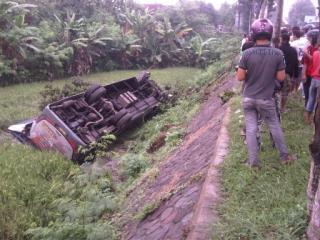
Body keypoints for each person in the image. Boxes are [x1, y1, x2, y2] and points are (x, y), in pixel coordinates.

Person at [237, 18, 296, 168]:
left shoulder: (247, 53)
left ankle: (254, 163)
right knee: (274, 126)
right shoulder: (277, 53)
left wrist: (252, 72)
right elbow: (281, 77)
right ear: (270, 34)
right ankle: (284, 157)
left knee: (251, 129)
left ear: (253, 34)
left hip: (248, 98)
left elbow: (240, 77)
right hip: (266, 99)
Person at [279, 32, 299, 112]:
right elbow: (295, 63)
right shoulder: (293, 50)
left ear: (282, 39)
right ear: (288, 40)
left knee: (275, 90)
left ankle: (273, 107)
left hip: (276, 73)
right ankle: (282, 108)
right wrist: (296, 75)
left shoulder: (278, 49)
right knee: (285, 92)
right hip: (287, 74)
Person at [304, 36, 320, 123]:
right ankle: (316, 120)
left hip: (314, 79)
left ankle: (307, 117)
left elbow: (311, 59)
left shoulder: (315, 53)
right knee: (318, 102)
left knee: (311, 98)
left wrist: (306, 52)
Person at [302, 29, 319, 110]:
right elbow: (305, 62)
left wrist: (306, 53)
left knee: (315, 96)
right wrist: (303, 74)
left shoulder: (317, 50)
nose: (308, 40)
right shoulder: (308, 48)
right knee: (307, 93)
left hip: (315, 75)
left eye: (310, 38)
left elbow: (315, 60)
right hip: (308, 73)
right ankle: (307, 110)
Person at [290, 26, 310, 92]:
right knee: (300, 78)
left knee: (293, 78)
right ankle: (296, 90)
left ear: (294, 35)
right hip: (303, 63)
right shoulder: (306, 42)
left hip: (295, 63)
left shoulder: (293, 43)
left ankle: (292, 91)